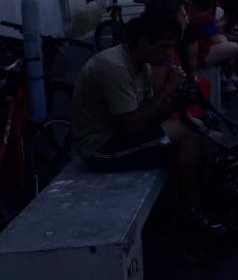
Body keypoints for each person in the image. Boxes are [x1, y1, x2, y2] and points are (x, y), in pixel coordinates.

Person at [72, 12, 218, 232]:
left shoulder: (144, 65)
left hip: (124, 139)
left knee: (205, 136)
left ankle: (201, 206)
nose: (169, 54)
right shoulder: (114, 67)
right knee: (186, 137)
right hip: (102, 149)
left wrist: (177, 98)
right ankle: (190, 213)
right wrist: (168, 88)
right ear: (143, 42)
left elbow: (149, 113)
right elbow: (132, 125)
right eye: (165, 46)